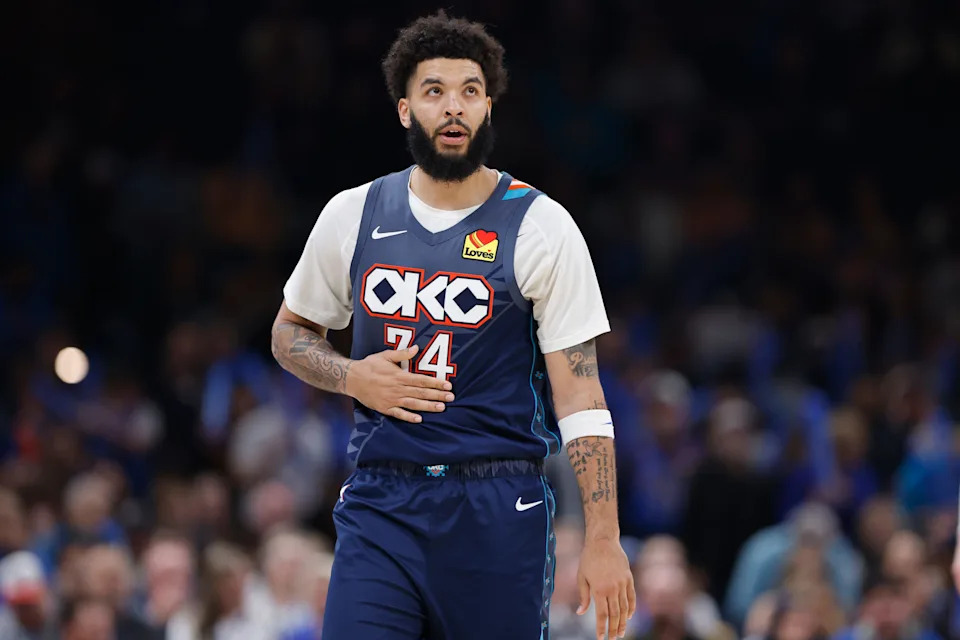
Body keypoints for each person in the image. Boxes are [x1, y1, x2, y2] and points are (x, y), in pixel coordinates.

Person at [271, 10, 634, 640]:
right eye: (434, 91)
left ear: (488, 107)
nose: (453, 107)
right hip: (382, 500)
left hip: (497, 504)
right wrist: (352, 376)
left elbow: (581, 397)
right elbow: (289, 333)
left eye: (470, 91)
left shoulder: (542, 226)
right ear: (405, 110)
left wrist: (603, 538)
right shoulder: (353, 213)